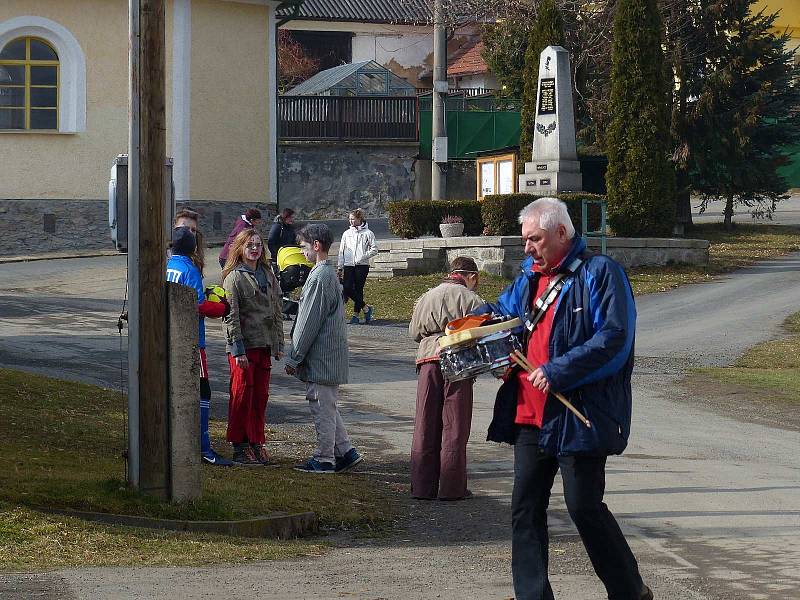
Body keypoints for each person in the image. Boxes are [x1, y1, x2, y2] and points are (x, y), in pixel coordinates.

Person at [474, 197, 652, 600]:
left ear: (560, 232)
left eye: (534, 239)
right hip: (528, 415)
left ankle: (629, 591)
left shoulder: (601, 273)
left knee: (584, 507)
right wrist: (470, 319)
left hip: (580, 414)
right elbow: (504, 312)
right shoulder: (529, 276)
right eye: (525, 240)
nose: (527, 247)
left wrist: (558, 370)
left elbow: (615, 340)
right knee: (524, 510)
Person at [284, 223, 363, 474]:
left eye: (304, 247)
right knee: (327, 405)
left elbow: (308, 321)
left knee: (321, 407)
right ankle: (345, 451)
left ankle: (325, 458)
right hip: (328, 356)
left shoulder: (319, 277)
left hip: (322, 357)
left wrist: (294, 356)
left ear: (316, 246)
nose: (302, 251)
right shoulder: (327, 274)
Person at [408, 257, 483, 501]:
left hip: (428, 360)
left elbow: (413, 333)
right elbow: (483, 331)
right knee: (454, 425)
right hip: (458, 361)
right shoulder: (470, 299)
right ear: (470, 276)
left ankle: (421, 487)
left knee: (425, 423)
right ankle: (452, 488)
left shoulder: (426, 297)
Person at [166, 225, 233, 466]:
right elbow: (196, 305)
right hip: (193, 340)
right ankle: (203, 448)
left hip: (171, 336)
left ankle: (180, 442)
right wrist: (222, 307)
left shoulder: (167, 266)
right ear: (193, 247)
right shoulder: (189, 269)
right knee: (203, 392)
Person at [221, 229, 284, 466]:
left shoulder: (268, 274)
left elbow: (276, 310)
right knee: (242, 395)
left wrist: (278, 343)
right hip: (243, 349)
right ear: (240, 248)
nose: (255, 249)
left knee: (260, 397)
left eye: (258, 245)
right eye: (250, 245)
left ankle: (257, 441)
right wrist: (237, 350)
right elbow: (231, 316)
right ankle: (240, 445)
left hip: (263, 345)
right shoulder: (234, 278)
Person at [337, 208, 379, 324]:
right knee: (347, 287)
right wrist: (340, 267)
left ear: (359, 219)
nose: (351, 221)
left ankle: (355, 315)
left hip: (362, 265)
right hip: (348, 265)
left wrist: (364, 256)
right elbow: (342, 250)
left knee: (359, 289)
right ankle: (366, 308)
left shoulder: (368, 233)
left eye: (353, 219)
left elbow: (375, 249)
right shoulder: (347, 233)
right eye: (349, 219)